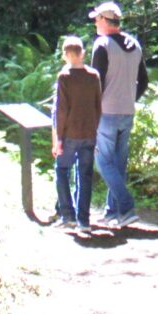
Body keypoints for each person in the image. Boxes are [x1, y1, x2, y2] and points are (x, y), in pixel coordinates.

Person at [88, 0, 148, 228]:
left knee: (102, 161)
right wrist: (130, 98)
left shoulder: (102, 45)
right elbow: (144, 81)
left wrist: (93, 108)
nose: (95, 22)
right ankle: (113, 213)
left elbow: (97, 82)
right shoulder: (135, 44)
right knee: (118, 163)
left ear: (105, 20)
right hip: (127, 112)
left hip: (106, 112)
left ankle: (126, 205)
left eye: (97, 18)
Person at [50, 35, 103, 229]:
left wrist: (59, 139)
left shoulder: (65, 77)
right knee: (85, 176)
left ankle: (67, 215)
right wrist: (94, 130)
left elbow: (61, 110)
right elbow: (98, 106)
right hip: (89, 134)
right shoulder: (93, 76)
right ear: (82, 53)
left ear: (65, 55)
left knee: (62, 171)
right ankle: (84, 220)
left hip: (69, 134)